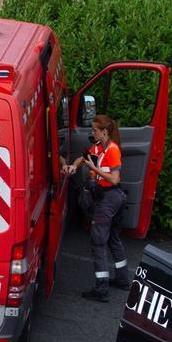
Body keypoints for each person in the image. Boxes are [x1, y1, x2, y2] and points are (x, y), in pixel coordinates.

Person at [63, 114, 127, 302]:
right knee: (113, 238)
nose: (92, 133)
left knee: (98, 242)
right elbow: (83, 159)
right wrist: (74, 166)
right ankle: (122, 280)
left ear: (104, 132)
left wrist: (94, 169)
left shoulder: (113, 150)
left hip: (109, 198)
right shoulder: (99, 147)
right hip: (114, 198)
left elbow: (114, 178)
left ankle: (101, 289)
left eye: (94, 130)